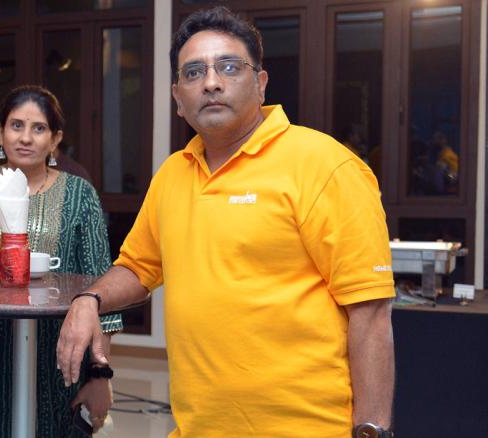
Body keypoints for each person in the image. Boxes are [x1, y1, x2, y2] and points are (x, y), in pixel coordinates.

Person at [57, 7, 396, 437]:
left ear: (261, 83)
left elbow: (370, 313)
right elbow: (139, 267)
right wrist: (90, 299)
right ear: (178, 98)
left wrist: (372, 431)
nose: (212, 82)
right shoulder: (173, 174)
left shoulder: (324, 165)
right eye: (194, 72)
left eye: (230, 67)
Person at [0, 85, 121, 437]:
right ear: (0, 133)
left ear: (55, 139)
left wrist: (100, 374)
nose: (25, 137)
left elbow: (102, 291)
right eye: (16, 125)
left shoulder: (79, 195)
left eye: (39, 128)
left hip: (58, 357)